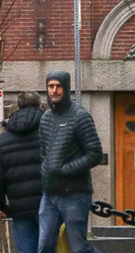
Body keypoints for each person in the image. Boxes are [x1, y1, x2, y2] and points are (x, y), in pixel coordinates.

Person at [36, 69, 105, 253]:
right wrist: (46, 172)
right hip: (49, 194)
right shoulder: (45, 119)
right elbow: (43, 153)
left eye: (58, 86)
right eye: (51, 86)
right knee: (43, 247)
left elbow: (95, 153)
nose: (54, 90)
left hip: (75, 193)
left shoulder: (80, 117)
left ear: (66, 88)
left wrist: (65, 169)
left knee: (79, 248)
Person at [0, 91, 46, 253]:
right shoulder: (49, 131)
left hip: (19, 206)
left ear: (18, 106)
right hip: (47, 202)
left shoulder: (4, 139)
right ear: (38, 105)